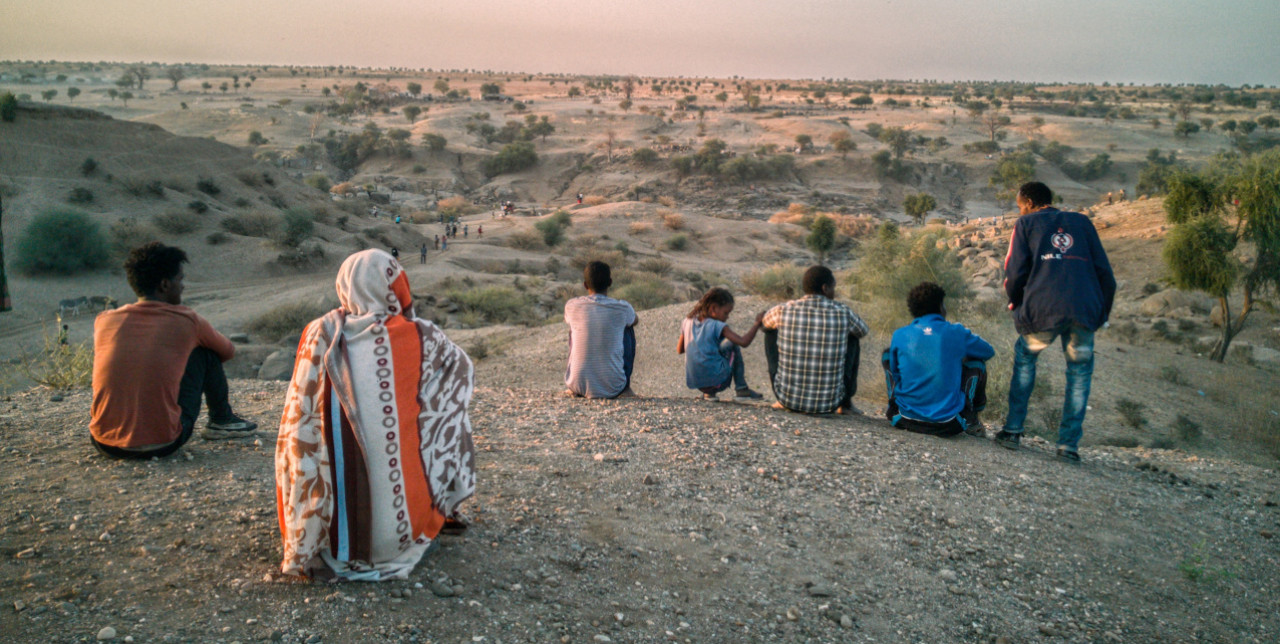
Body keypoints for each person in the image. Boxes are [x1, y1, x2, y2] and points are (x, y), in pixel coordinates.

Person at [276, 249, 476, 581]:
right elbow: (460, 378)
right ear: (396, 288)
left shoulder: (317, 333)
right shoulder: (424, 338)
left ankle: (319, 530)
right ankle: (441, 507)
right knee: (450, 420)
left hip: (331, 538)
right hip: (397, 536)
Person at [90, 243, 257, 459]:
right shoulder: (187, 320)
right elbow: (227, 351)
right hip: (162, 443)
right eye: (180, 279)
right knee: (206, 352)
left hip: (103, 442)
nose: (183, 286)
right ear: (165, 285)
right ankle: (222, 420)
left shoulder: (104, 320)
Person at [997, 181, 1116, 462]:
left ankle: (1013, 431)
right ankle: (1068, 446)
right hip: (1083, 310)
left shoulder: (1025, 224)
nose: (1020, 210)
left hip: (1043, 308)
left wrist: (1015, 303)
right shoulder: (1083, 223)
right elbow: (1105, 273)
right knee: (1079, 374)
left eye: (1019, 206)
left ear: (1027, 203)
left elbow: (1014, 272)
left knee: (1026, 360)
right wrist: (1102, 313)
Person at [882, 282, 994, 437]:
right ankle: (972, 418)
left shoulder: (901, 334)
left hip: (904, 419)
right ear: (941, 307)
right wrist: (958, 356)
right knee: (977, 363)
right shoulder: (956, 332)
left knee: (888, 354)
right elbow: (988, 352)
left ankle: (894, 404)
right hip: (949, 425)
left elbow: (896, 371)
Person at [762, 266, 869, 415]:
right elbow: (863, 330)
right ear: (825, 288)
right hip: (830, 402)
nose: (834, 292)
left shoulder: (783, 310)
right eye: (833, 288)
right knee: (853, 337)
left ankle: (780, 399)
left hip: (788, 399)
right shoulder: (843, 312)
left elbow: (764, 322)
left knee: (769, 331)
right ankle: (845, 404)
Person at [564, 261, 638, 399]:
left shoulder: (571, 306)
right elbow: (635, 320)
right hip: (614, 387)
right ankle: (626, 387)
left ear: (585, 285)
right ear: (610, 282)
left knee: (574, 329)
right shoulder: (622, 308)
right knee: (627, 328)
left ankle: (576, 378)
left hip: (576, 384)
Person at [677, 287, 765, 402]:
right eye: (726, 313)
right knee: (732, 344)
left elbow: (680, 350)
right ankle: (741, 389)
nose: (727, 317)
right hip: (717, 382)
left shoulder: (687, 321)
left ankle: (709, 394)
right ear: (713, 308)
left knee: (714, 349)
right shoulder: (718, 325)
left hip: (697, 382)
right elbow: (744, 342)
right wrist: (757, 323)